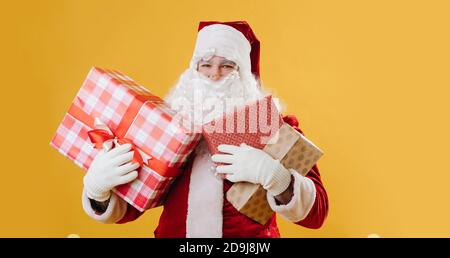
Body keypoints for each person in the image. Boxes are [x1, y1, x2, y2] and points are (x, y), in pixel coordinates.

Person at [81, 21, 329, 238]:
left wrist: (275, 176)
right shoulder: (166, 131)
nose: (214, 75)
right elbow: (131, 206)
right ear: (193, 71)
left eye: (227, 65)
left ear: (244, 74)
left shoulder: (273, 129)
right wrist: (97, 191)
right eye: (206, 65)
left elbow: (317, 214)